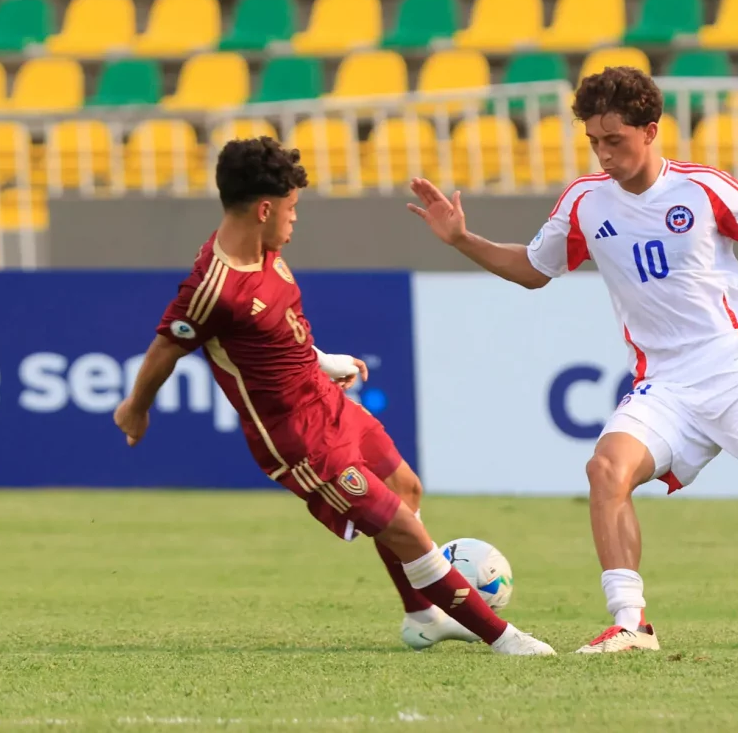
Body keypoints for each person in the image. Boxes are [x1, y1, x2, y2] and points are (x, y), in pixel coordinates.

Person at [407, 67, 738, 654]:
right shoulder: (585, 202)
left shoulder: (705, 188)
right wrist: (463, 240)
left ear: (651, 131)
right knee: (605, 471)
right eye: (593, 141)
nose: (603, 154)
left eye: (614, 139)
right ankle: (631, 623)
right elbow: (534, 271)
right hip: (664, 384)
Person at [114, 137, 553, 657]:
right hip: (298, 439)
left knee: (406, 490)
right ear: (264, 208)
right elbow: (167, 346)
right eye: (292, 208)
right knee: (404, 530)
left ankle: (422, 618)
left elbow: (275, 331)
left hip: (327, 401)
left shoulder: (266, 251)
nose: (295, 219)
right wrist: (135, 407)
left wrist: (322, 360)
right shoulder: (215, 286)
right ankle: (504, 639)